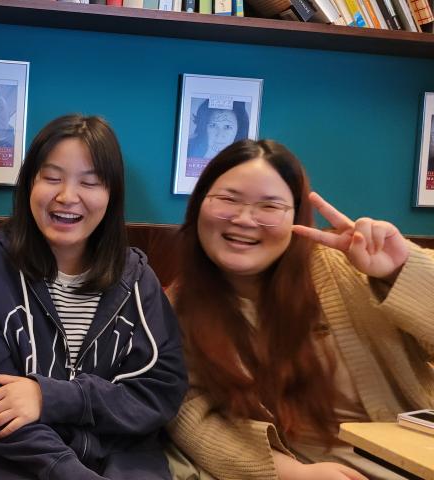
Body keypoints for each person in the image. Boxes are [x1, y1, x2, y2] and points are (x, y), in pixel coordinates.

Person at [167, 139, 434, 480]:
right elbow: (189, 413)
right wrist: (291, 473)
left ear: (296, 215)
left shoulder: (353, 267)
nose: (245, 219)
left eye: (269, 206)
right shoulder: (176, 308)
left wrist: (398, 273)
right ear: (198, 205)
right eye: (228, 199)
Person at [0, 114, 188, 479]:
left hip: (121, 456)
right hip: (9, 457)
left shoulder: (138, 280)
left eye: (89, 182)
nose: (67, 196)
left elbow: (159, 392)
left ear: (111, 195)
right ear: (29, 184)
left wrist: (52, 397)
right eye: (52, 178)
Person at [186, 101, 249, 168]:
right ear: (203, 128)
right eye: (213, 125)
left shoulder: (246, 161)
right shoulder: (188, 152)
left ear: (238, 129)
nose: (219, 135)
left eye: (227, 127)